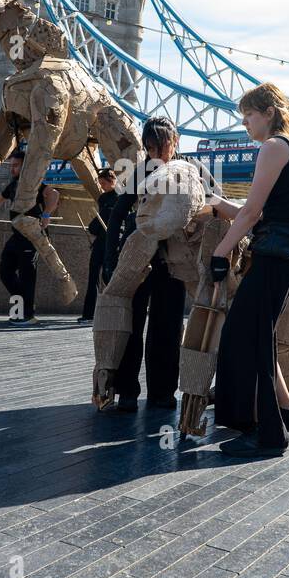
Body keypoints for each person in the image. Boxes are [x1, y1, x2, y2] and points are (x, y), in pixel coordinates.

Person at [210, 83, 289, 457]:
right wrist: (216, 203)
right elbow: (255, 211)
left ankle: (265, 433)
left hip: (277, 253)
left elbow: (253, 213)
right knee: (259, 333)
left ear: (268, 113)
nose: (245, 125)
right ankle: (285, 412)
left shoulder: (273, 147)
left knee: (242, 333)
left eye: (249, 116)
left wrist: (221, 252)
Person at [102, 117, 187, 413]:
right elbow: (116, 215)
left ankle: (162, 393)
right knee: (131, 323)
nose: (156, 154)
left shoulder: (189, 170)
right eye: (150, 147)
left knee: (168, 328)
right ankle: (126, 391)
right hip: (138, 258)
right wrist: (110, 259)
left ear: (174, 142)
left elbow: (211, 205)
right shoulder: (142, 171)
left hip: (175, 262)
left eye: (161, 146)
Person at [0, 148, 59, 325]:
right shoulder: (14, 185)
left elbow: (54, 195)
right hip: (17, 235)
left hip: (32, 236)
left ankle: (27, 315)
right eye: (11, 166)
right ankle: (22, 306)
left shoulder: (33, 183)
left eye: (16, 166)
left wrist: (46, 214)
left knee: (27, 275)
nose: (12, 169)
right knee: (5, 271)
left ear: (24, 167)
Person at [78, 167, 118, 323]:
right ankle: (89, 314)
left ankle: (111, 313)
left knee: (109, 277)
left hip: (112, 243)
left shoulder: (120, 198)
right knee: (93, 277)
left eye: (103, 183)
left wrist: (94, 227)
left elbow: (108, 220)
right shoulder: (103, 199)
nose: (101, 186)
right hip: (100, 242)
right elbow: (100, 220)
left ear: (112, 181)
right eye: (100, 183)